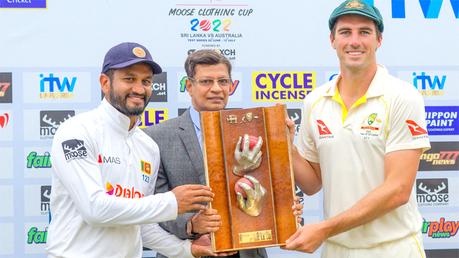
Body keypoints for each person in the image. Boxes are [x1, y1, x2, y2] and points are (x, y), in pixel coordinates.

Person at [284, 1, 430, 258]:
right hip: (336, 249)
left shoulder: (403, 97)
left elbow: (398, 190)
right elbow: (312, 183)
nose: (354, 41)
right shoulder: (314, 101)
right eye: (345, 32)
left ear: (379, 40)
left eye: (364, 32)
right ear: (332, 40)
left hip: (393, 248)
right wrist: (288, 149)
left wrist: (324, 229)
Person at [47, 42, 221, 258]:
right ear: (105, 82)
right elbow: (95, 209)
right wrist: (171, 202)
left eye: (146, 81)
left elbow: (143, 226)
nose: (139, 89)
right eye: (129, 79)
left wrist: (186, 250)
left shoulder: (147, 146)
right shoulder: (76, 131)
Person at [144, 50, 302, 258]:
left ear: (231, 86)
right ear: (189, 86)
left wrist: (284, 208)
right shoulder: (156, 136)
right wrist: (191, 224)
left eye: (223, 81)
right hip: (189, 251)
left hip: (247, 251)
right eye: (206, 81)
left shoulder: (257, 128)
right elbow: (151, 206)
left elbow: (271, 187)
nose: (216, 89)